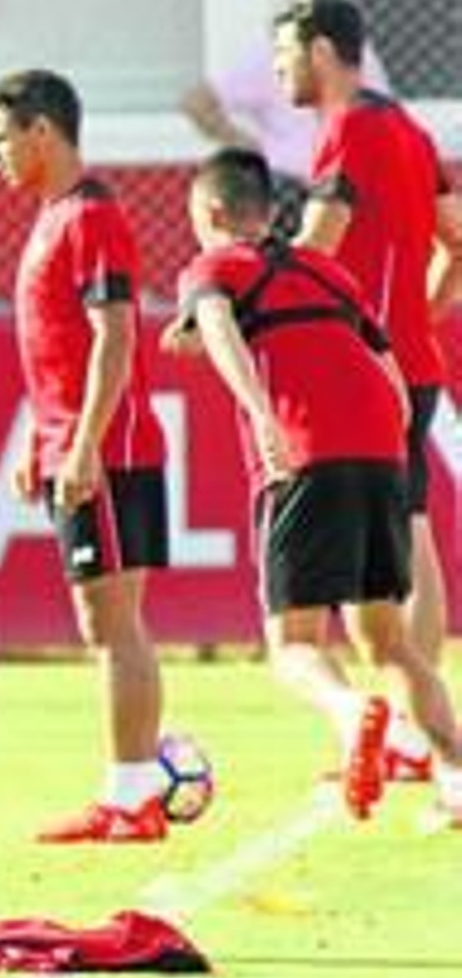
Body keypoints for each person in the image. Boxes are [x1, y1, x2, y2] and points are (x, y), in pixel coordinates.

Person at [162, 147, 462, 827]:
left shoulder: (211, 267)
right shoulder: (329, 271)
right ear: (268, 212)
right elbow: (383, 361)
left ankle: (354, 715)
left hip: (304, 453)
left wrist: (261, 411)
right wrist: (395, 441)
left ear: (210, 213)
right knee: (387, 641)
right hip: (382, 455)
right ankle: (457, 774)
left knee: (294, 643)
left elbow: (213, 326)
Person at [0, 69, 173, 843]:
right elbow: (57, 348)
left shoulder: (92, 215)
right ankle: (133, 786)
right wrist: (41, 432)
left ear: (42, 133)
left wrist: (86, 442)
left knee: (114, 622)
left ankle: (132, 795)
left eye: (1, 139)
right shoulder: (52, 216)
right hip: (76, 442)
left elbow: (115, 333)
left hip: (109, 449)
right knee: (107, 621)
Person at [274, 0, 462, 777]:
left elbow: (317, 250)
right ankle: (424, 731)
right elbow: (458, 239)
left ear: (321, 52)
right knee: (411, 533)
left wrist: (257, 295)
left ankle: (418, 736)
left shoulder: (347, 131)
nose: (282, 69)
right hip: (411, 366)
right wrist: (416, 317)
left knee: (381, 567)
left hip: (364, 377)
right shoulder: (411, 130)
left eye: (286, 53)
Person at [179, 0, 388, 238]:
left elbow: (197, 102)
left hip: (289, 185)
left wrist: (242, 145)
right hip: (334, 187)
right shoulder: (357, 58)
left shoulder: (274, 54)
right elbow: (382, 116)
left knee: (286, 270)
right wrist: (244, 144)